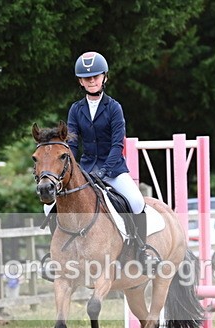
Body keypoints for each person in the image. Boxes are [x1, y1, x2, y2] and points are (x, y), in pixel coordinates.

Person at [48, 51, 156, 268]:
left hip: (114, 169)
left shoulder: (114, 107)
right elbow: (72, 144)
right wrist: (72, 170)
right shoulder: (76, 109)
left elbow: (118, 144)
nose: (91, 80)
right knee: (49, 205)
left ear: (104, 77)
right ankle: (57, 253)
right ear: (81, 81)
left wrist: (105, 171)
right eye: (87, 78)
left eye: (95, 76)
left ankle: (142, 250)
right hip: (86, 169)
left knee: (136, 201)